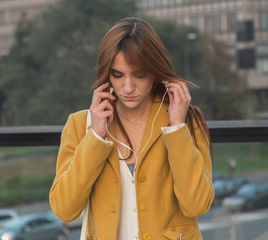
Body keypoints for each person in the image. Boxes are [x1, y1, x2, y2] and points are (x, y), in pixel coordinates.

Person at [49, 17, 214, 240]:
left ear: (156, 71)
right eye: (117, 75)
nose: (128, 87)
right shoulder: (81, 125)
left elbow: (197, 205)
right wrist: (95, 137)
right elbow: (64, 209)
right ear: (107, 73)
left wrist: (176, 128)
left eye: (139, 74)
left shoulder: (186, 121)